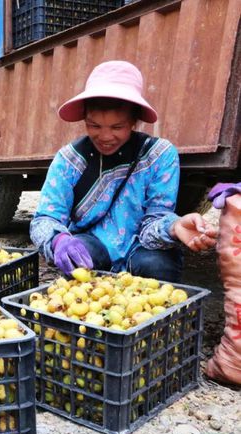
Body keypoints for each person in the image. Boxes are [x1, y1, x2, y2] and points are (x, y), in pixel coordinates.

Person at [30, 60, 216, 282]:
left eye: (117, 127)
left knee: (157, 265)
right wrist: (58, 240)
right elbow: (44, 219)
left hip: (142, 246)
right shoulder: (69, 160)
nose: (106, 137)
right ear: (84, 119)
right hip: (94, 244)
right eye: (94, 126)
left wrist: (174, 227)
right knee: (78, 256)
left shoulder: (159, 155)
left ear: (134, 122)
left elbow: (154, 222)